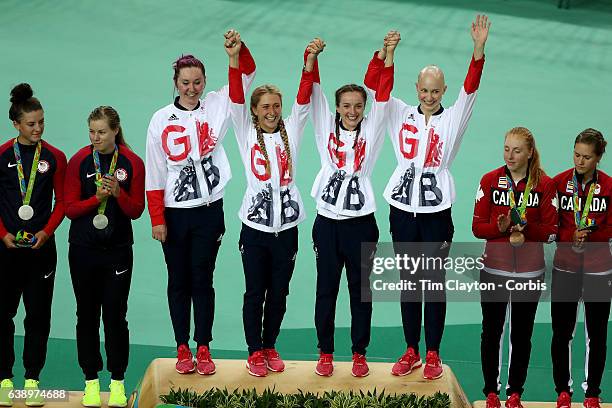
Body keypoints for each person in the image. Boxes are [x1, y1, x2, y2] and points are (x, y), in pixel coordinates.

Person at [364, 14, 490, 380]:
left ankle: (433, 351)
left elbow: (471, 87)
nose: (429, 97)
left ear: (443, 91)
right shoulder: (399, 113)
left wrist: (478, 50)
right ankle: (411, 350)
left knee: (432, 283)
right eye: (424, 90)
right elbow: (378, 89)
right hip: (402, 210)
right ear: (416, 88)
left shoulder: (453, 119)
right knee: (408, 282)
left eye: (436, 91)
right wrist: (388, 54)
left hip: (436, 212)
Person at [145, 30, 255, 376]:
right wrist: (157, 218)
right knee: (178, 280)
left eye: (197, 82)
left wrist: (234, 55)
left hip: (209, 211)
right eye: (185, 82)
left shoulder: (218, 105)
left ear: (206, 81)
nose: (192, 88)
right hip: (175, 215)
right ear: (175, 83)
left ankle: (203, 346)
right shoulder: (160, 119)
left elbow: (244, 80)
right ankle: (181, 346)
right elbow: (155, 172)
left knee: (202, 279)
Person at [309, 33, 397, 377]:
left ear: (364, 109)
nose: (352, 111)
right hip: (327, 222)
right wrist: (312, 59)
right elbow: (311, 94)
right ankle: (325, 352)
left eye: (358, 106)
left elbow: (384, 93)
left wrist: (388, 55)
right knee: (326, 289)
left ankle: (359, 353)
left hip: (361, 222)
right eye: (345, 105)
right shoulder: (323, 126)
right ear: (338, 107)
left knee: (361, 292)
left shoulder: (372, 128)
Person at [228, 35, 315, 377]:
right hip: (255, 228)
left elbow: (304, 99)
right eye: (265, 107)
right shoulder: (244, 131)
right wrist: (234, 58)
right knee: (255, 291)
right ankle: (253, 351)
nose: (272, 112)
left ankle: (270, 345)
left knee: (279, 291)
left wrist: (308, 64)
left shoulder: (291, 129)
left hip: (288, 227)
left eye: (276, 106)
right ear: (254, 111)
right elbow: (235, 95)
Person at [64, 106, 145, 408]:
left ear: (115, 131)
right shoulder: (79, 161)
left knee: (115, 317)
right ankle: (90, 382)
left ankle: (118, 382)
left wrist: (118, 194)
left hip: (118, 252)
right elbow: (70, 209)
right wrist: (96, 199)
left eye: (101, 132)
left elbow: (137, 211)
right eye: (91, 132)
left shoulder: (132, 162)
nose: (95, 137)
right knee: (86, 315)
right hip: (83, 251)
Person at [472, 127, 558, 408]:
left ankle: (515, 393)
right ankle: (491, 393)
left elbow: (552, 230)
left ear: (530, 152)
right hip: (494, 270)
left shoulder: (544, 185)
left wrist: (527, 228)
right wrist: (502, 229)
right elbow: (477, 228)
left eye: (517, 150)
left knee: (521, 335)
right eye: (506, 148)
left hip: (530, 272)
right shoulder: (490, 180)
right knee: (492, 331)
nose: (510, 155)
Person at [0, 83, 66, 407]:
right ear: (16, 124)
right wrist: (1, 233)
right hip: (5, 250)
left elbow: (63, 203)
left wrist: (47, 232)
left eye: (41, 121)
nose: (38, 128)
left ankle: (31, 380)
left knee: (38, 317)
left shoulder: (55, 158)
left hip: (41, 251)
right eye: (31, 123)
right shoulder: (1, 156)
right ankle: (3, 379)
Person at [551, 129, 610, 408]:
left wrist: (591, 235)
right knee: (562, 333)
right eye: (576, 154)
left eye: (587, 157)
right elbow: (551, 224)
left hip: (599, 271)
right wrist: (569, 237)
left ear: (598, 157)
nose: (580, 161)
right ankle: (563, 390)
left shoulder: (609, 187)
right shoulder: (559, 184)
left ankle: (592, 393)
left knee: (596, 334)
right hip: (565, 268)